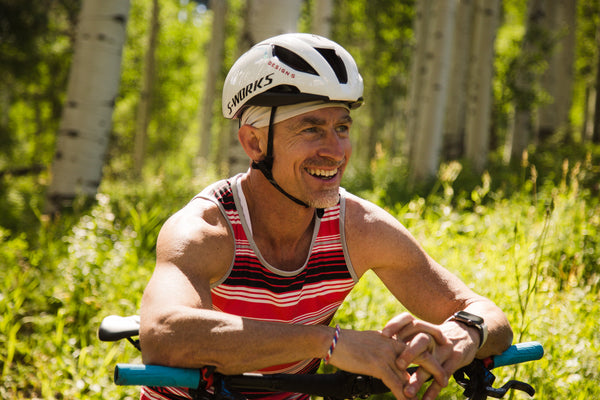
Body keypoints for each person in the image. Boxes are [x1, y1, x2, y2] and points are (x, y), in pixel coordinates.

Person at [139, 33, 513, 400]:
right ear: (254, 143)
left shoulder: (358, 228)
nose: (335, 152)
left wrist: (464, 334)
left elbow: (485, 314)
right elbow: (162, 335)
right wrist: (329, 343)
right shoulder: (206, 229)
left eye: (342, 128)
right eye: (312, 129)